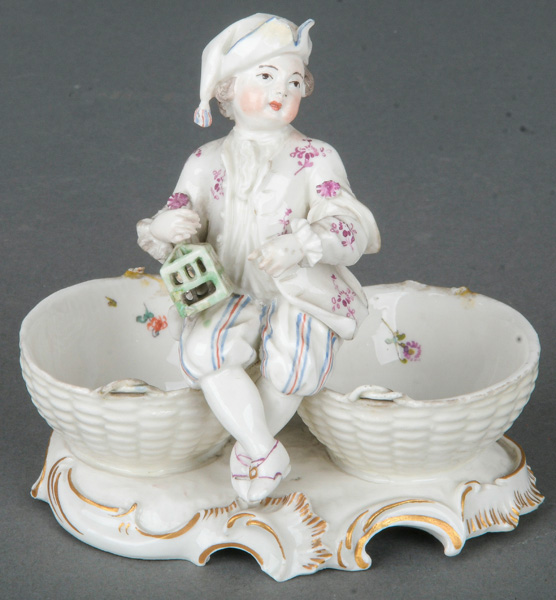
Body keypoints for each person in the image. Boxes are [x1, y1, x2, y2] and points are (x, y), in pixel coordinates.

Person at [137, 14, 380, 503]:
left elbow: (349, 222)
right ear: (227, 90)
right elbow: (180, 213)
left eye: (293, 81)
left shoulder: (316, 157)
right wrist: (163, 227)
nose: (281, 91)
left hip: (298, 289)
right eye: (265, 77)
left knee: (296, 364)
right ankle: (262, 451)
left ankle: (250, 453)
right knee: (205, 351)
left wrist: (302, 245)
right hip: (227, 286)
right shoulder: (204, 160)